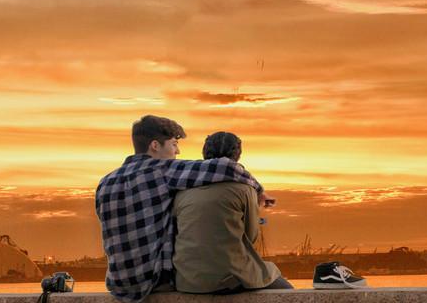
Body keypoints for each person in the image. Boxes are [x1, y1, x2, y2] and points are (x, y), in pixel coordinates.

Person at [95, 115, 271, 303]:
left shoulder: (105, 183)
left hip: (119, 284)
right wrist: (258, 190)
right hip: (154, 282)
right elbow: (226, 167)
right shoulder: (162, 170)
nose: (177, 151)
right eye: (173, 144)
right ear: (155, 145)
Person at [173, 131, 293, 293]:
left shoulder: (182, 191)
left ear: (204, 154)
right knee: (286, 289)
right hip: (229, 277)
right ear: (238, 155)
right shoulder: (245, 190)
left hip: (188, 280)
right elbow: (251, 235)